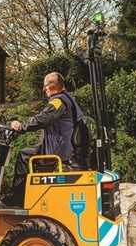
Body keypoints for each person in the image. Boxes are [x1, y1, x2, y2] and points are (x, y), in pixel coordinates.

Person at [6, 72, 84, 206]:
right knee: (30, 151)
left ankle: (17, 199)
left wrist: (20, 126)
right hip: (63, 146)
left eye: (46, 85)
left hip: (58, 150)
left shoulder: (58, 101)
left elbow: (42, 119)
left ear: (54, 85)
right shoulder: (68, 98)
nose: (44, 89)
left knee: (23, 156)